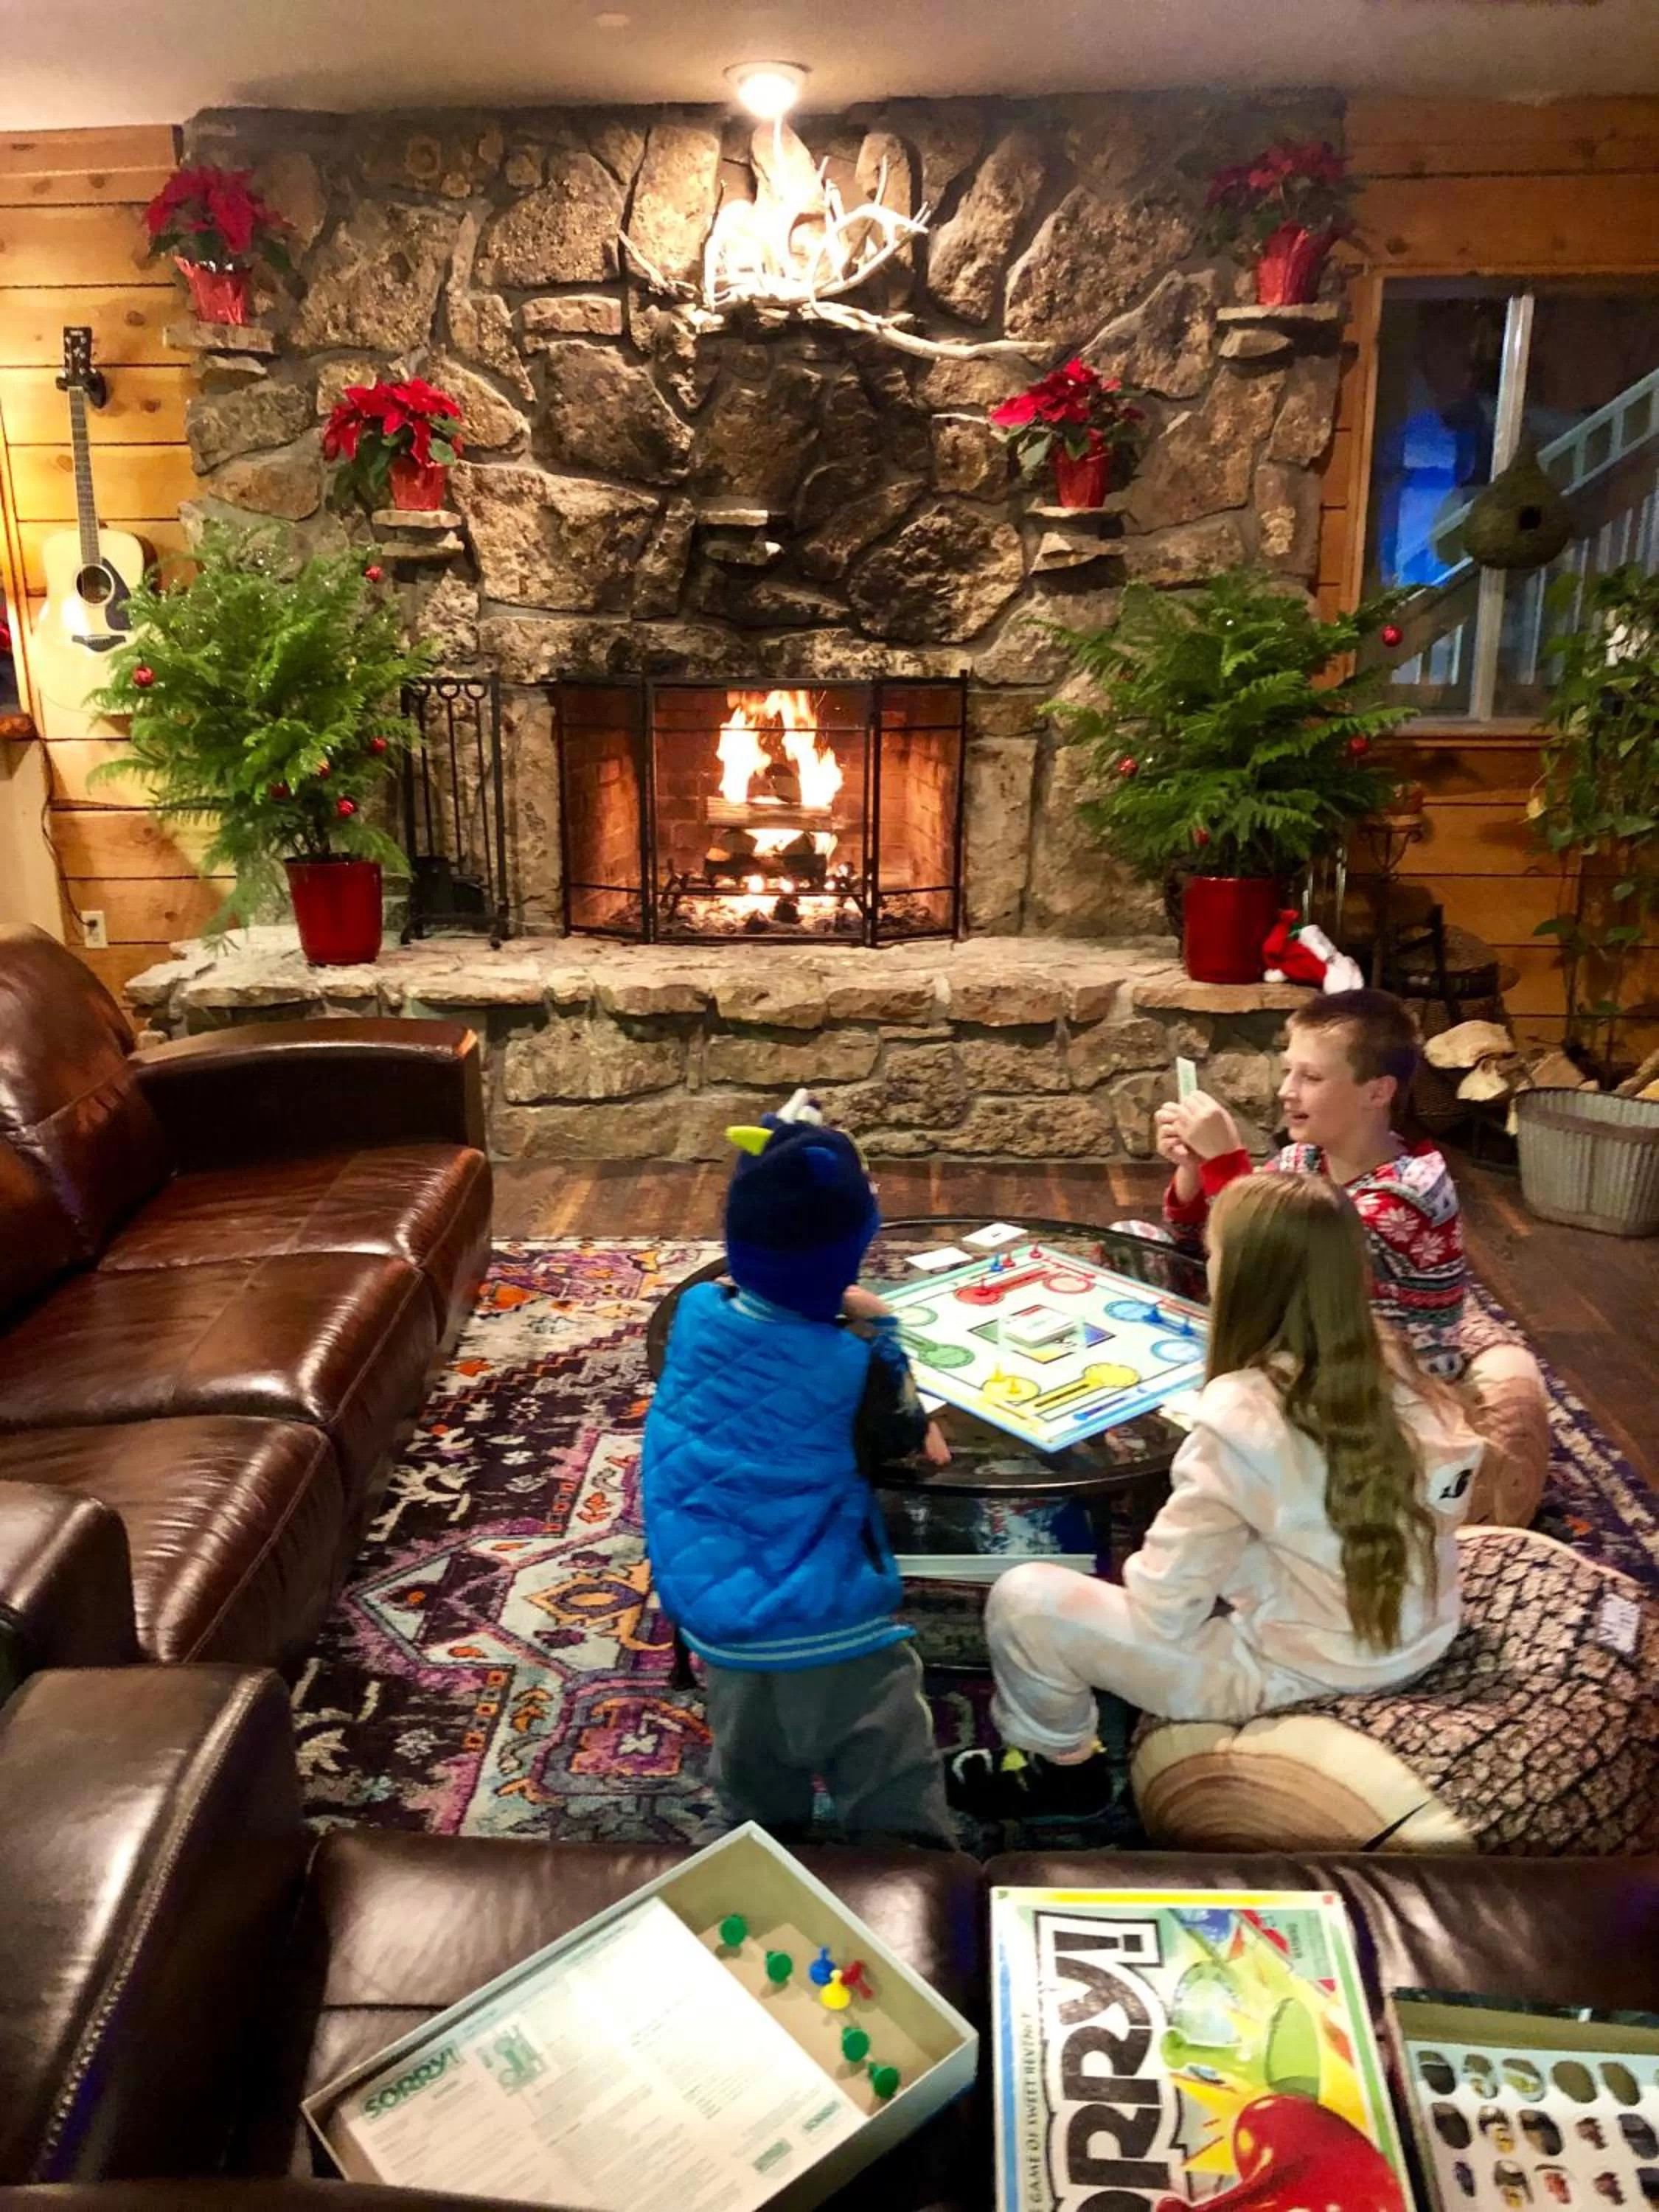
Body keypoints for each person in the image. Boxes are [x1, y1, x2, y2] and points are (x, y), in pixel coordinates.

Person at [948, 1174, 1484, 1823]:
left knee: (1024, 1600)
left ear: (1244, 1281)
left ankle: (1061, 1771)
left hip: (1294, 1673)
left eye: (1213, 1255)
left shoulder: (1241, 1416)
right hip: (1420, 1637)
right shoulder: (1397, 1363)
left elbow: (1163, 1610)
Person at [642, 1105, 956, 1846]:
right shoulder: (855, 1365)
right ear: (849, 1254)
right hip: (826, 1624)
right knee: (890, 1776)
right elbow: (919, 1445)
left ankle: (765, 1845)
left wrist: (822, 1301)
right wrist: (883, 1333)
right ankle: (909, 1869)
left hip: (715, 1613)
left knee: (753, 1771)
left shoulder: (695, 1312)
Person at [1157, 987, 1548, 1527]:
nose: (1286, 1092)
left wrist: (1226, 1162)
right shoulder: (1304, 1158)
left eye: (1311, 1077)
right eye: (1288, 1072)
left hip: (1375, 1390)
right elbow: (1195, 1239)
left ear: (1378, 1092)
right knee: (1132, 1242)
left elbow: (1264, 1262)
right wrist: (1193, 1168)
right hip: (1303, 1338)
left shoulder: (1406, 1197)